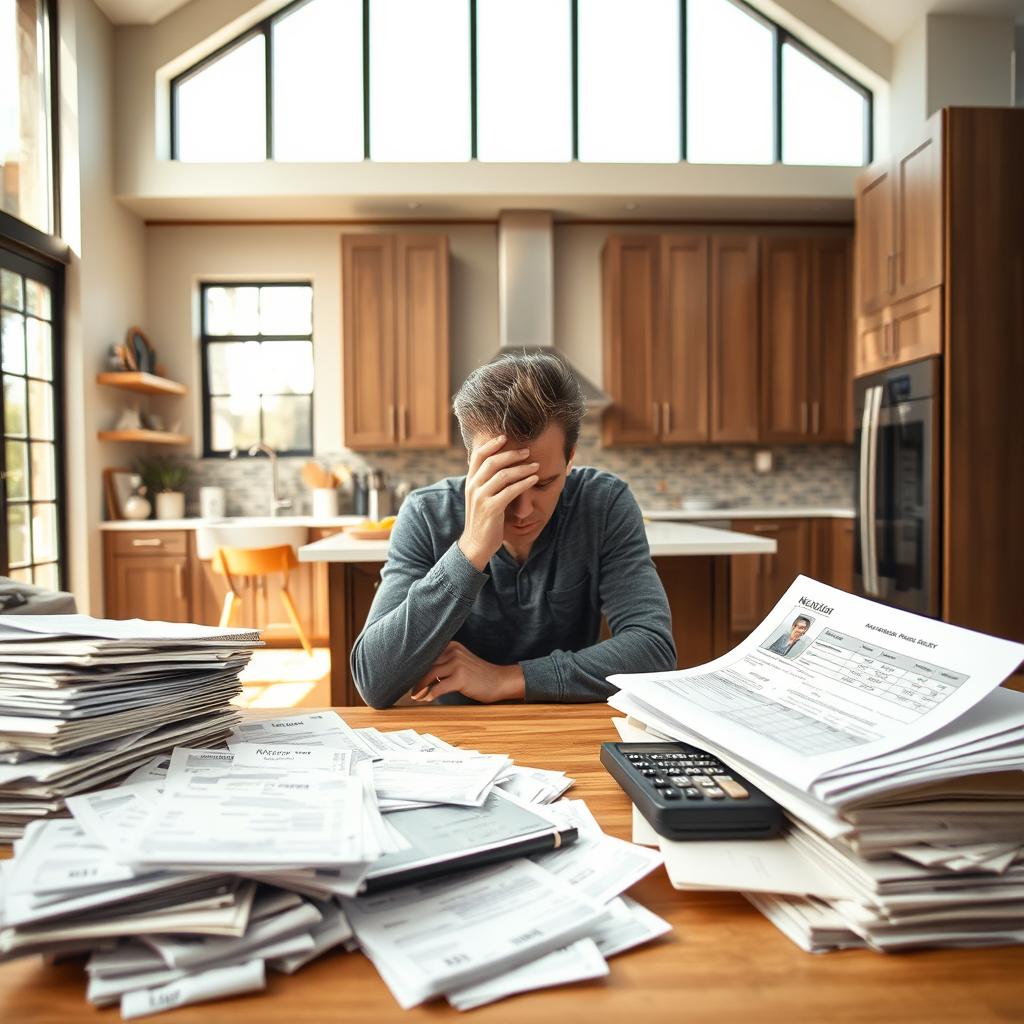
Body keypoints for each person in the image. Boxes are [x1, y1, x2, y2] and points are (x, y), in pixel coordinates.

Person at [350, 350, 676, 708]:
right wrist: (470, 549)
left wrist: (506, 679)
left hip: (567, 723)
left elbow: (654, 650)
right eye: (504, 486)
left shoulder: (604, 504)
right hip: (460, 736)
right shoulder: (427, 513)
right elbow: (374, 681)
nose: (522, 511)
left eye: (543, 484)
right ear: (471, 462)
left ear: (570, 459)